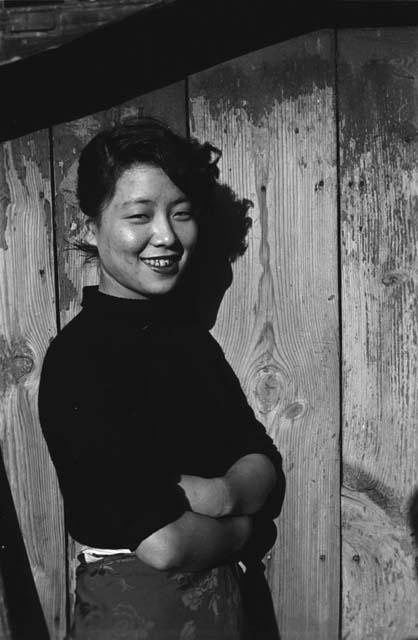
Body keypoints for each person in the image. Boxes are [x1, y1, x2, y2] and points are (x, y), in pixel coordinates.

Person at [38, 117, 285, 640]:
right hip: (135, 618)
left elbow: (260, 459)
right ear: (89, 226)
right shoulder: (80, 359)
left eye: (181, 213)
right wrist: (243, 526)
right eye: (139, 215)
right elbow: (164, 544)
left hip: (227, 613)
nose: (166, 236)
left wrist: (216, 495)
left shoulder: (190, 342)